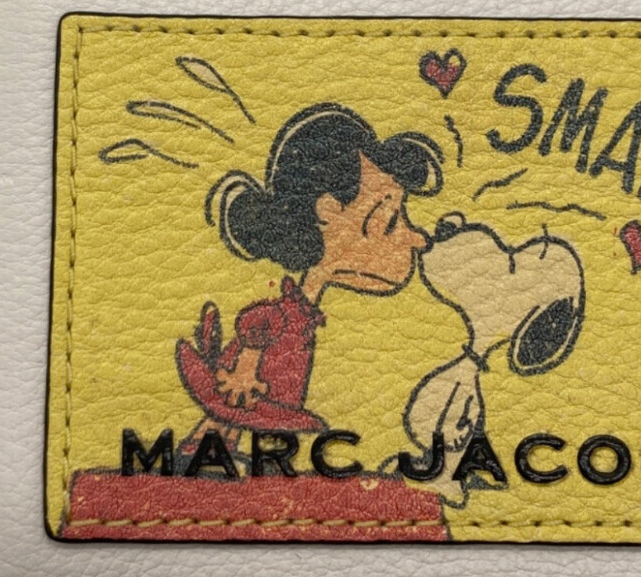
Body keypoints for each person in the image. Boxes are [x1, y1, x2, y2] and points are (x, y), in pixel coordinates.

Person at [176, 104, 442, 452]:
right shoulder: (289, 311)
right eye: (390, 222)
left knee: (231, 425)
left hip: (260, 398)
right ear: (328, 211)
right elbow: (257, 323)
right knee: (225, 419)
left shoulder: (303, 311)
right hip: (247, 389)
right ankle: (201, 455)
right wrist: (244, 373)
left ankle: (214, 455)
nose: (420, 239)